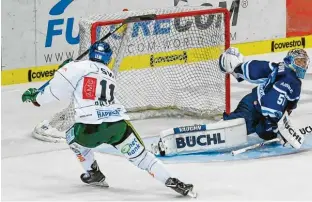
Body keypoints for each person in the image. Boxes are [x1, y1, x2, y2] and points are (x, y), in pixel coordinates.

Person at [22, 41, 195, 197]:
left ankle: (94, 173)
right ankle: (172, 181)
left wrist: (37, 97)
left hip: (89, 130)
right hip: (117, 126)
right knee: (142, 157)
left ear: (90, 54)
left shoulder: (77, 67)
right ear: (108, 58)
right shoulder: (109, 74)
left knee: (72, 138)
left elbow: (56, 91)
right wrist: (66, 70)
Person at [219, 47, 309, 142]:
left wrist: (239, 69)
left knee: (264, 131)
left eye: (304, 62)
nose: (303, 65)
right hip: (252, 107)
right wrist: (274, 124)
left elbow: (259, 68)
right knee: (232, 128)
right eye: (299, 62)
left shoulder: (283, 71)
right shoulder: (289, 79)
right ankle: (215, 129)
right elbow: (271, 102)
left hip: (260, 109)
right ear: (289, 61)